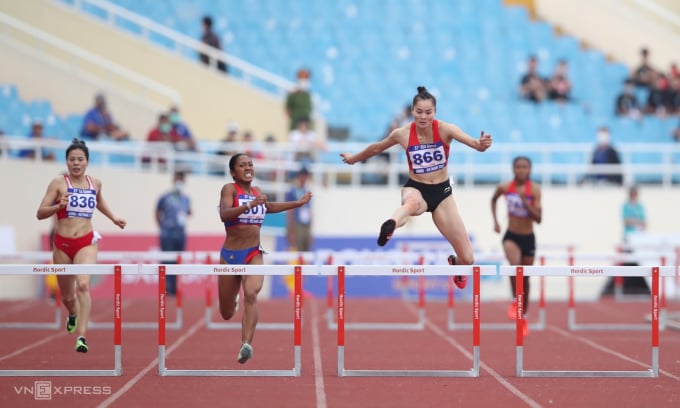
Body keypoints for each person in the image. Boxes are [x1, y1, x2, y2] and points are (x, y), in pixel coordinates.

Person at [340, 86, 492, 289]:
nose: (423, 117)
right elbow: (376, 148)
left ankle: (455, 263)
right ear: (412, 111)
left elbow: (474, 143)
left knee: (468, 258)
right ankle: (391, 224)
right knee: (411, 204)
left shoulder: (445, 129)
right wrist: (353, 159)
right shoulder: (402, 134)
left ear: (434, 112)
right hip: (416, 188)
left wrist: (481, 144)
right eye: (419, 112)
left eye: (428, 112)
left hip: (442, 194)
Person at [217, 153, 311, 364]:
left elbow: (269, 208)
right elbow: (224, 214)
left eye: (250, 164)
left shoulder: (258, 191)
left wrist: (298, 203)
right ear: (233, 172)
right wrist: (250, 205)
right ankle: (233, 299)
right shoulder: (229, 189)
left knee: (251, 293)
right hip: (230, 256)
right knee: (226, 313)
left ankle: (246, 344)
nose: (247, 167)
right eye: (242, 165)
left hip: (253, 253)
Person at [35, 139, 127, 353]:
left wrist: (114, 217)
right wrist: (59, 205)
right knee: (67, 296)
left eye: (80, 159)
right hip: (62, 245)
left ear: (87, 162)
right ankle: (73, 314)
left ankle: (82, 336)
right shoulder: (58, 183)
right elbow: (40, 213)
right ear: (67, 162)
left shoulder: (95, 182)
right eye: (72, 159)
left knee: (83, 285)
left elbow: (99, 201)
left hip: (86, 241)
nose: (76, 163)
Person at [490, 156, 542, 337]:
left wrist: (525, 202)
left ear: (530, 169)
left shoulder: (534, 190)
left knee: (525, 279)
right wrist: (496, 221)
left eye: (525, 167)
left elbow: (539, 218)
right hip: (511, 236)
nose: (521, 170)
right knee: (515, 267)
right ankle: (514, 301)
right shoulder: (505, 187)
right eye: (518, 167)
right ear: (513, 169)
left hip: (528, 237)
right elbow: (493, 199)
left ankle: (524, 316)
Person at [156, 171, 192, 296]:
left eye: (181, 181)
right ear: (173, 181)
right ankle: (166, 288)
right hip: (167, 233)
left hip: (180, 233)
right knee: (167, 261)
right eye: (177, 180)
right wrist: (161, 226)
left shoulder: (186, 198)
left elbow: (189, 212)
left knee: (178, 260)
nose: (179, 183)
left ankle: (175, 288)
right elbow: (157, 211)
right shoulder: (165, 197)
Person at [285, 168, 313, 252]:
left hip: (306, 223)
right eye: (303, 176)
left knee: (306, 249)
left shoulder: (306, 191)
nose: (304, 178)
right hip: (297, 223)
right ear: (299, 176)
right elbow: (290, 210)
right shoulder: (292, 191)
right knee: (297, 249)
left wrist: (310, 230)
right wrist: (291, 230)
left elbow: (309, 210)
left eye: (306, 176)